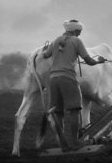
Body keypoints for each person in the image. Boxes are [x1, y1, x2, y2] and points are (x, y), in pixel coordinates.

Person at [41, 19, 107, 152]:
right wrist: (99, 61)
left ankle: (63, 144)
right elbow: (88, 60)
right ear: (75, 30)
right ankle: (75, 142)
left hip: (53, 79)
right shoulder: (77, 41)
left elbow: (45, 55)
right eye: (79, 30)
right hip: (68, 78)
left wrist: (46, 49)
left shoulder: (56, 40)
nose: (80, 33)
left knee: (57, 112)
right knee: (74, 110)